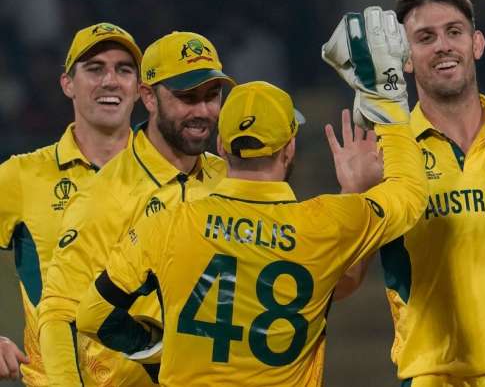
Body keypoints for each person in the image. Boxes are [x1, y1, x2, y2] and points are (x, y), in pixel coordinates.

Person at [72, 79, 427, 386]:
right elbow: (411, 194)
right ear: (289, 149)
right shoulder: (326, 225)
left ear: (221, 147)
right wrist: (387, 105)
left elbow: (92, 315)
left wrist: (153, 347)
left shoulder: (169, 223)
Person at [333, 0, 485, 386]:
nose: (443, 46)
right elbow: (343, 285)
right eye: (425, 37)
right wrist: (356, 195)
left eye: (454, 32)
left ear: (477, 44)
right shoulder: (387, 156)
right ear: (405, 59)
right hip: (432, 377)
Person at [38, 31, 234, 387]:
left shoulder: (229, 178)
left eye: (211, 96)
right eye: (187, 97)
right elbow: (59, 313)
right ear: (149, 97)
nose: (202, 111)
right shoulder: (105, 194)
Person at [0, 22, 142, 385]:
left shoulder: (173, 176)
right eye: (95, 69)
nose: (110, 80)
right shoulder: (22, 176)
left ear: (140, 90)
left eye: (123, 70)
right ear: (67, 84)